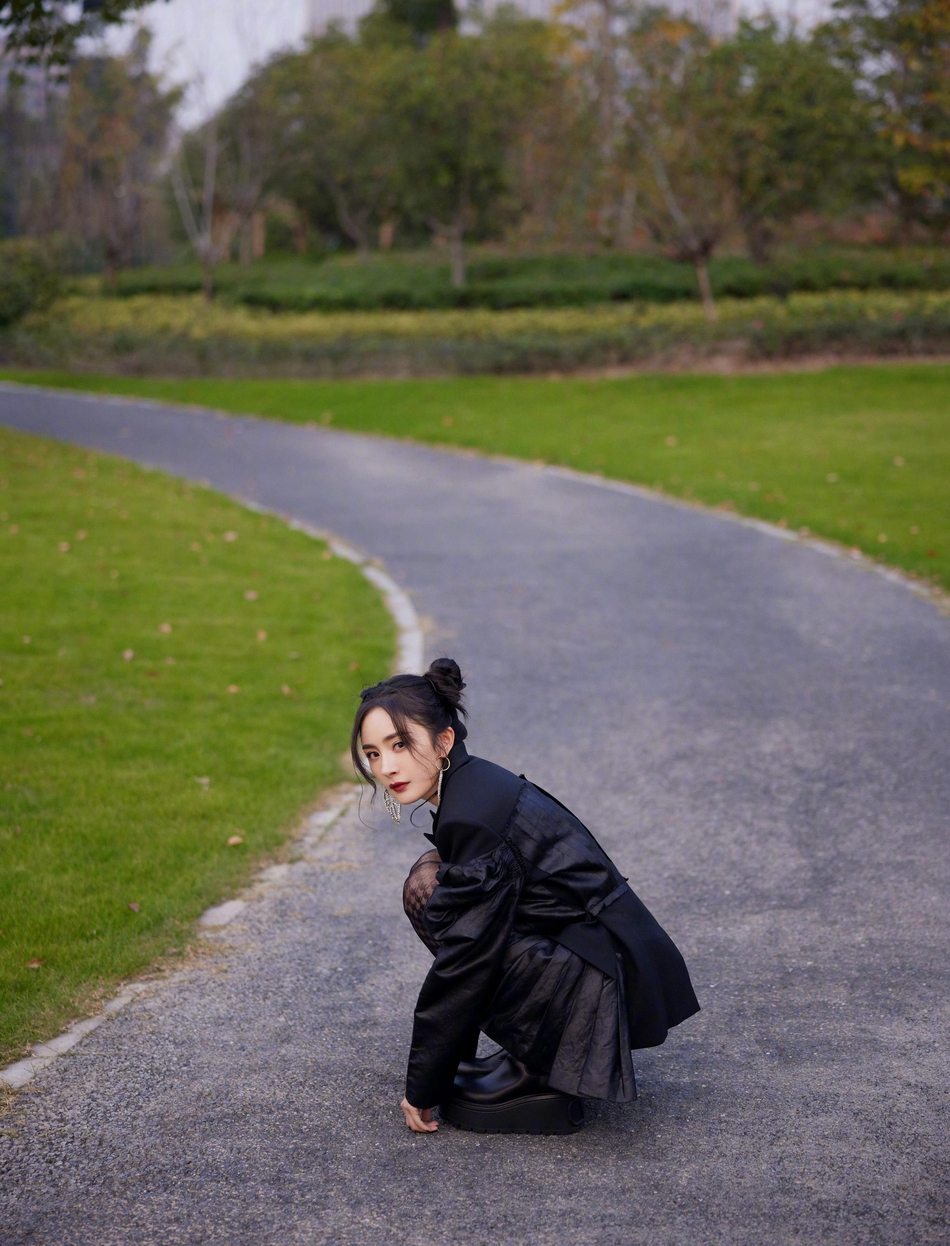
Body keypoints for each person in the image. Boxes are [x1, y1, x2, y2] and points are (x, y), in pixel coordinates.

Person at [352, 658, 700, 1135]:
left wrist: (424, 1084)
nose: (386, 766)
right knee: (431, 883)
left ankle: (544, 1065)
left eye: (400, 744)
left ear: (444, 741)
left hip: (599, 978)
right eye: (373, 754)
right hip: (593, 955)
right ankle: (530, 1054)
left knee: (431, 894)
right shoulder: (472, 785)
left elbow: (466, 958)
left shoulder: (472, 812)